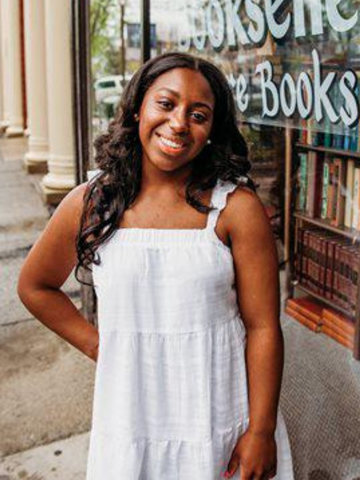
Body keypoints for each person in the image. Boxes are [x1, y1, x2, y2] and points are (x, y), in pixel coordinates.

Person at [17, 52, 294, 480]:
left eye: (198, 114)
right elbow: (35, 286)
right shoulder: (93, 202)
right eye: (166, 104)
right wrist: (99, 347)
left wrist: (261, 430)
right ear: (137, 108)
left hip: (219, 412)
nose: (179, 123)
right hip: (131, 414)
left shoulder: (234, 209)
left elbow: (262, 327)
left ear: (212, 132)